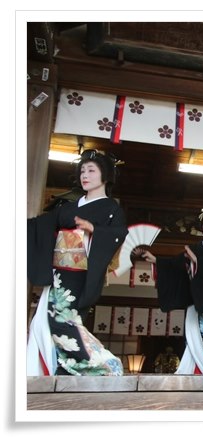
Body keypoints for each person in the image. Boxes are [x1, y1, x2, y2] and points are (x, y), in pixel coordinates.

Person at [27, 149, 128, 376]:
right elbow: (40, 226)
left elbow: (119, 233)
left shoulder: (111, 208)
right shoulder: (69, 207)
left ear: (106, 175)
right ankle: (66, 368)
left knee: (64, 320)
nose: (85, 175)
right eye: (82, 170)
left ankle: (102, 364)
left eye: (91, 170)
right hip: (59, 272)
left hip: (81, 273)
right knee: (49, 320)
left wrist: (95, 230)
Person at [142, 206, 203, 375]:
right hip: (196, 296)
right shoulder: (197, 246)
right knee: (191, 333)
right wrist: (156, 260)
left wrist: (197, 260)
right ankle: (193, 370)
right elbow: (176, 264)